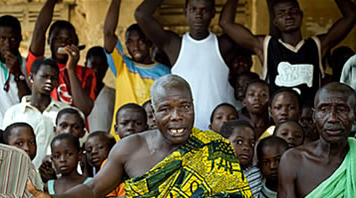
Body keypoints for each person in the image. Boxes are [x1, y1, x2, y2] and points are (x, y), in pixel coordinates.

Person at [9, 74, 260, 198]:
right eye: (166, 109)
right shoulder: (130, 148)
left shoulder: (214, 148)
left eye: (185, 106)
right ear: (152, 112)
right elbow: (94, 190)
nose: (177, 116)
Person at [220, 0, 356, 105]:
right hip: (278, 127)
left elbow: (351, 15)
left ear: (301, 15)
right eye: (281, 13)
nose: (288, 16)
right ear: (275, 21)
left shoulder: (317, 46)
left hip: (310, 125)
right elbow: (226, 23)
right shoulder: (266, 46)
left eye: (293, 11)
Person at [135, 0, 238, 131]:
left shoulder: (223, 45)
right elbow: (141, 14)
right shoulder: (174, 45)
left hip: (218, 132)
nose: (198, 15)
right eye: (193, 9)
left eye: (204, 10)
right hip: (183, 131)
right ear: (185, 12)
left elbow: (228, 24)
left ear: (213, 13)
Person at [277, 82, 356, 198]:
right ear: (314, 116)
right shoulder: (293, 160)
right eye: (324, 109)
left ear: (355, 116)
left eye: (341, 109)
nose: (332, 118)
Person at [104, 0, 170, 138]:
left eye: (140, 41)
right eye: (130, 42)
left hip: (151, 138)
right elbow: (108, 33)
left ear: (149, 42)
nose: (135, 46)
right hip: (121, 138)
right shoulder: (122, 66)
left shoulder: (164, 72)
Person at [26, 0, 96, 116]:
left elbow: (84, 110)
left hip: (73, 131)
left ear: (76, 44)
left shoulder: (86, 73)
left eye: (69, 41)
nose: (63, 44)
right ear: (49, 41)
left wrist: (71, 69)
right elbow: (39, 30)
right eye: (58, 39)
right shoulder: (40, 67)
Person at [3, 58, 68, 168]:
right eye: (44, 76)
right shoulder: (14, 112)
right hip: (21, 174)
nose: (49, 81)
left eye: (54, 78)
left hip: (56, 178)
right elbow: (5, 147)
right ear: (32, 77)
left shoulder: (64, 112)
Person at [46, 133, 93, 198]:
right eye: (57, 156)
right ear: (52, 160)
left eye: (69, 154)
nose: (62, 159)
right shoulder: (49, 186)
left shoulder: (90, 184)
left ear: (79, 155)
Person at [0, 15, 31, 129]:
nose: (7, 44)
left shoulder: (27, 65)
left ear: (20, 39)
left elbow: (29, 104)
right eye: (2, 39)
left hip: (20, 132)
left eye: (13, 39)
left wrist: (18, 73)